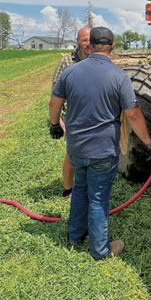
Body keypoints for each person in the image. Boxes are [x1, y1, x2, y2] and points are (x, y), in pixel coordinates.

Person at [49, 26, 151, 259]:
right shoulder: (119, 76)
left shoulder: (71, 72)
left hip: (76, 147)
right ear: (113, 47)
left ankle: (75, 236)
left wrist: (55, 124)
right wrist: (147, 141)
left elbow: (54, 103)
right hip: (103, 151)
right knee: (98, 198)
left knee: (79, 189)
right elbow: (134, 114)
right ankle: (100, 251)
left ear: (91, 45)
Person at [51, 27, 91, 197]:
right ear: (77, 41)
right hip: (74, 116)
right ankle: (68, 190)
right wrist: (57, 120)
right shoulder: (67, 62)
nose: (88, 43)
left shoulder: (99, 61)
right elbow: (55, 94)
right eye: (84, 40)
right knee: (73, 153)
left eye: (91, 39)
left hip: (95, 115)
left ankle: (89, 186)